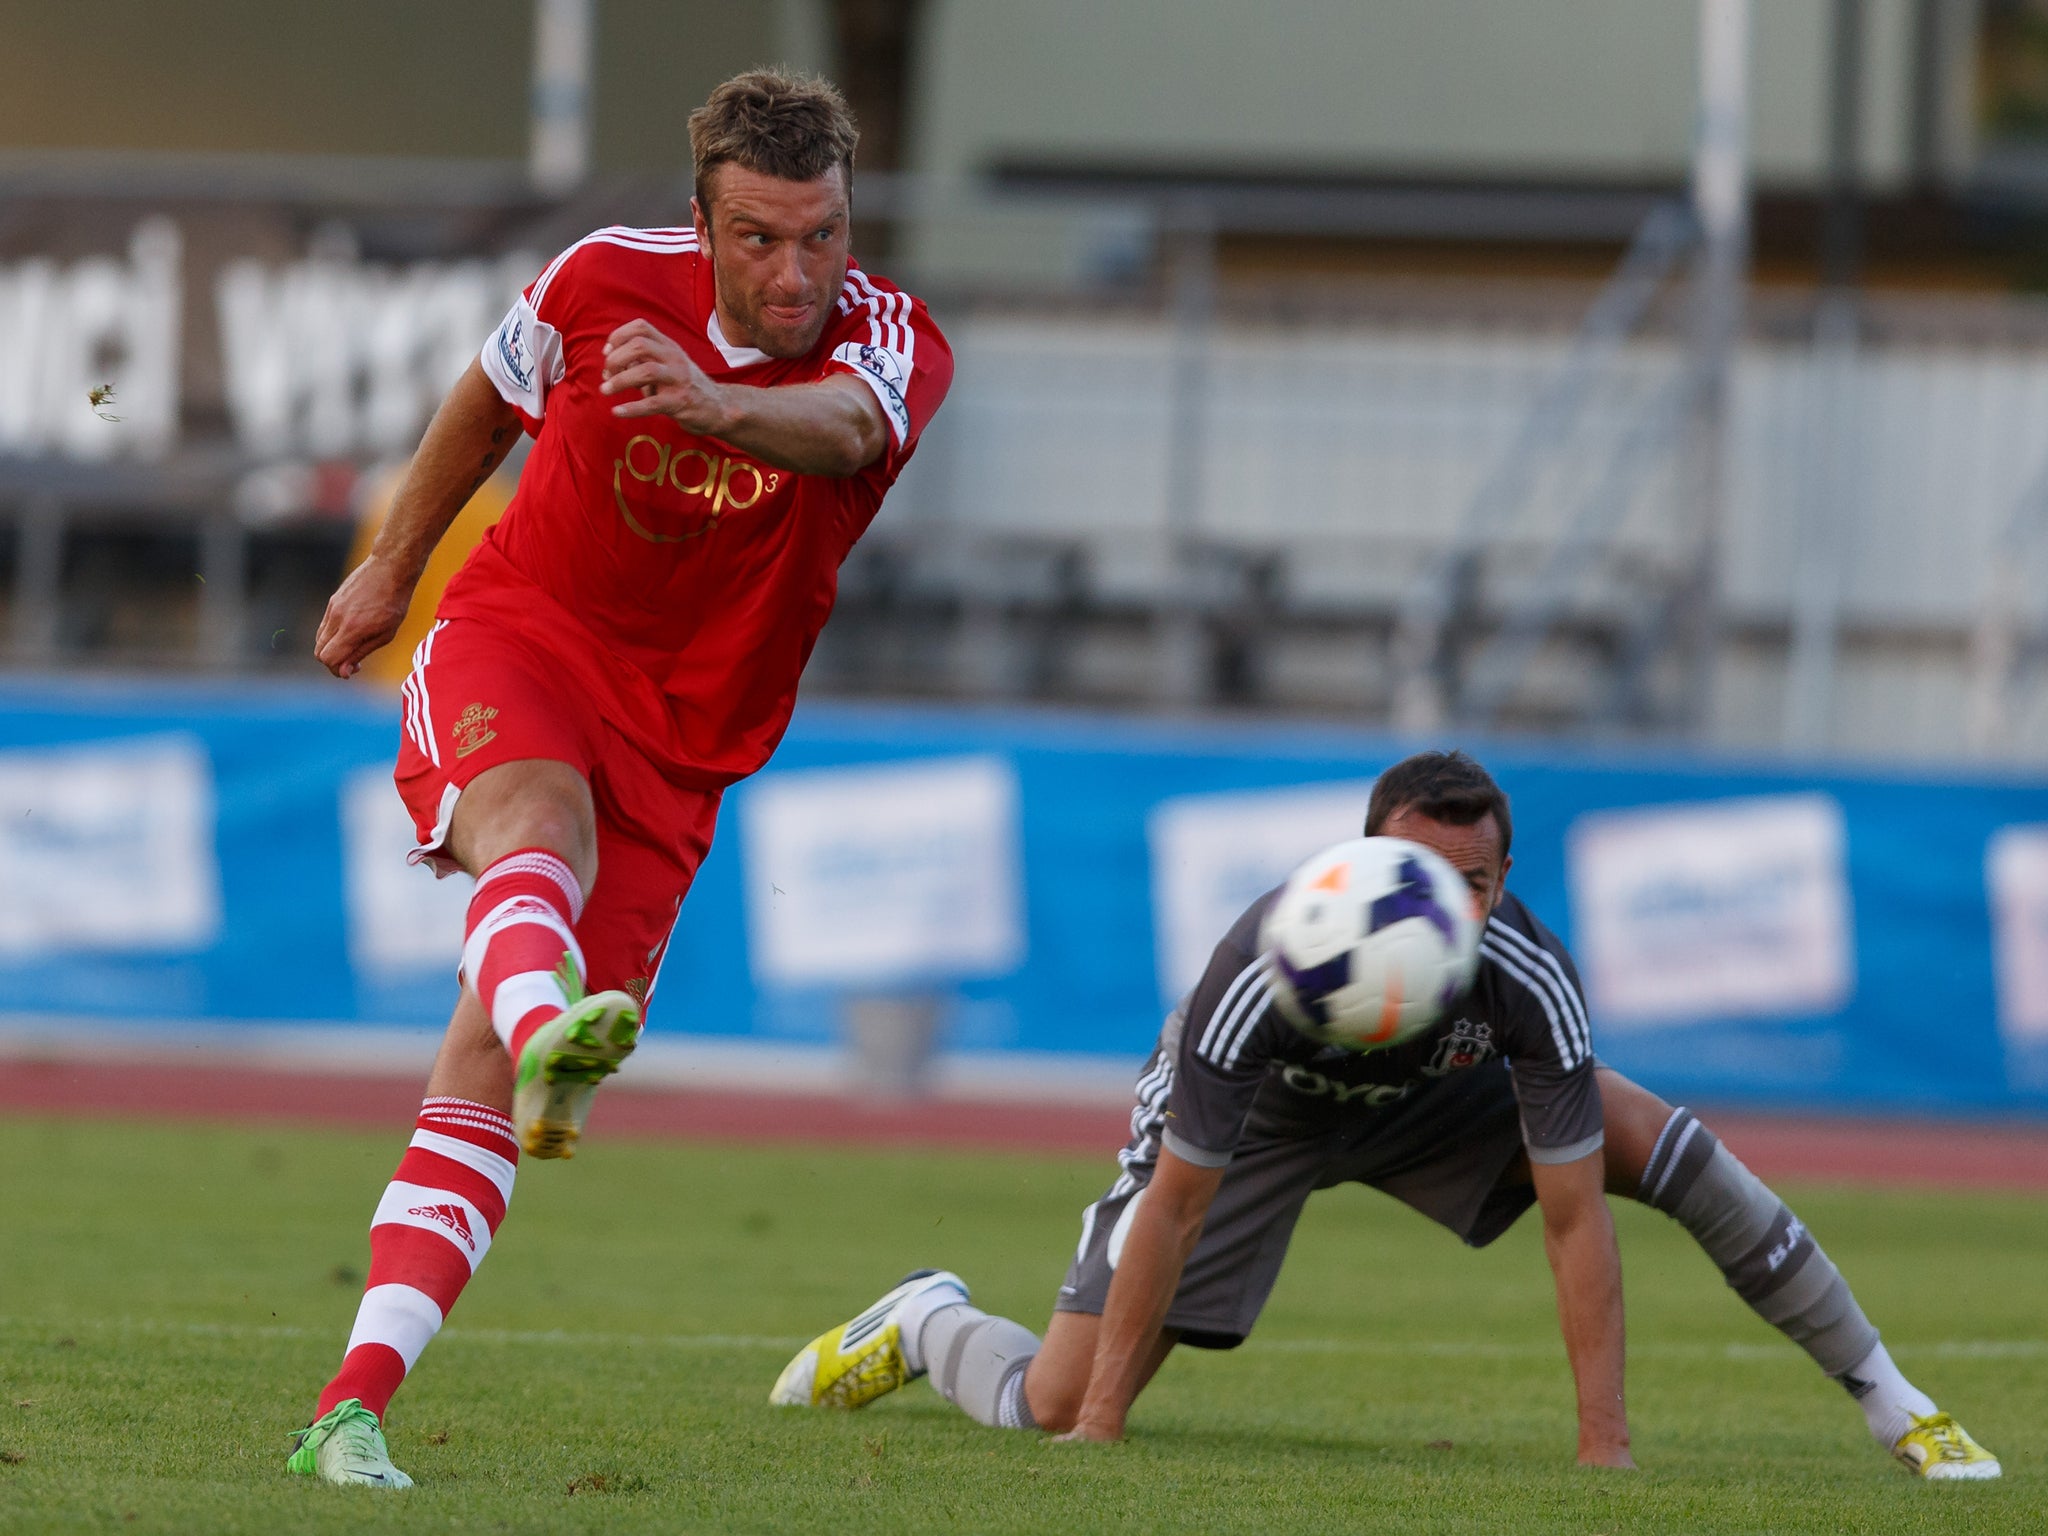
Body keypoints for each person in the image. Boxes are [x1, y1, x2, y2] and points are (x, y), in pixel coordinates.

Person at [287, 69, 953, 1490]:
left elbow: (842, 431)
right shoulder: (600, 282)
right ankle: (552, 1025)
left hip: (685, 745)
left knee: (471, 1071)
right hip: (520, 633)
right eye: (762, 237)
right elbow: (485, 397)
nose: (799, 270)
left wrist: (711, 401)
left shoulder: (891, 339)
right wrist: (396, 564)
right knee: (537, 825)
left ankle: (350, 1411)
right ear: (701, 225)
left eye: (823, 233)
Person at [771, 750, 2000, 1481]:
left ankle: (1895, 1401)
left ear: (1503, 883)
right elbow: (1179, 1198)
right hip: (1261, 1120)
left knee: (1654, 1141)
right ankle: (927, 1321)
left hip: (1437, 1103)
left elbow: (1574, 1225)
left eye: (1474, 883)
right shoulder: (1261, 964)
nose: (1446, 906)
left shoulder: (1525, 972)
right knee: (1049, 1402)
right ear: (1358, 864)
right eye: (1417, 876)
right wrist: (1095, 1436)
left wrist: (1602, 1451)